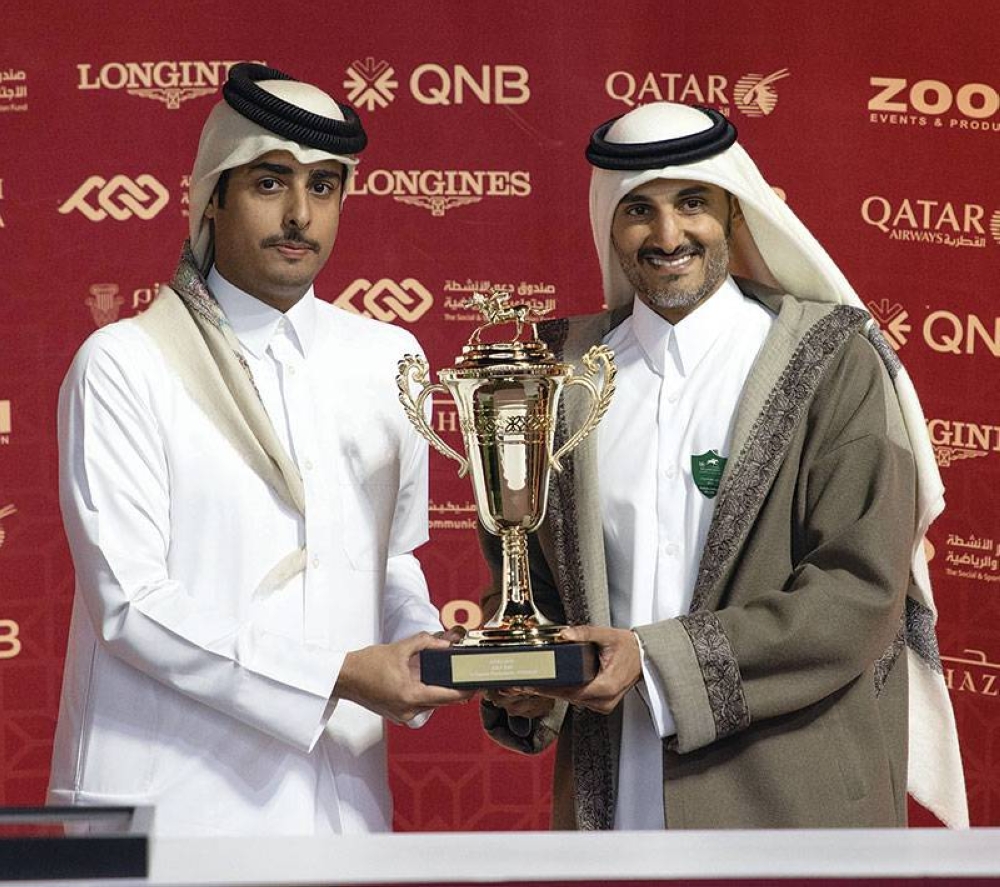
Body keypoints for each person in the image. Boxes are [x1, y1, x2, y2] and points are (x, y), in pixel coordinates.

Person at [480, 102, 967, 830]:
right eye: (639, 209)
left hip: (791, 811)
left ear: (734, 215)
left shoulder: (831, 362)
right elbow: (531, 587)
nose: (668, 234)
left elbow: (857, 592)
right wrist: (528, 676)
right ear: (608, 224)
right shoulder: (556, 376)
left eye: (693, 203)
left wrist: (653, 660)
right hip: (608, 814)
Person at [48, 63, 471, 837]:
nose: (300, 216)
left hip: (340, 803)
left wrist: (429, 648)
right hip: (171, 803)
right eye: (271, 184)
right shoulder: (127, 363)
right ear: (214, 194)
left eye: (324, 186)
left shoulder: (387, 359)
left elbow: (395, 556)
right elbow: (129, 602)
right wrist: (338, 675)